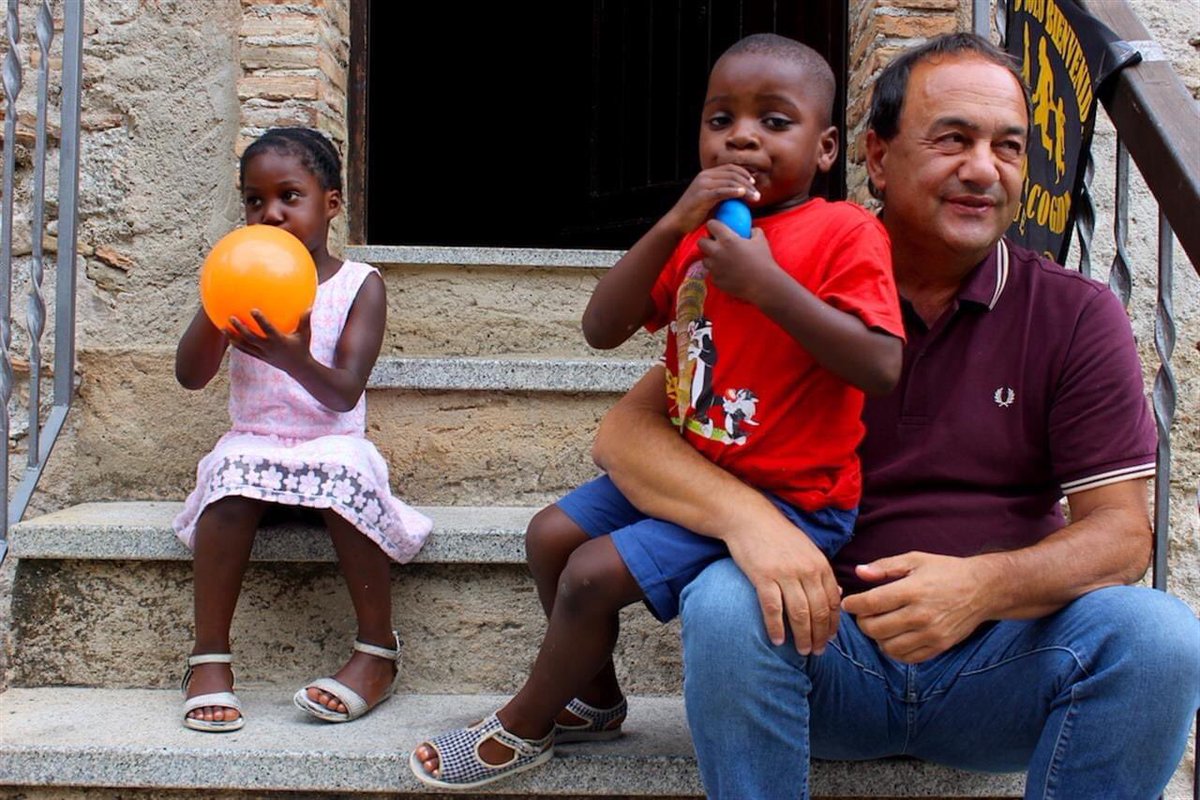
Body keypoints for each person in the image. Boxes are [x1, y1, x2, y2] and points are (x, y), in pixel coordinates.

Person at [592, 33, 1200, 799]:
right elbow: (627, 431)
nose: (983, 169)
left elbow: (1121, 536)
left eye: (1007, 147)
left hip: (1002, 671)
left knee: (1162, 636)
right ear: (875, 157)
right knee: (723, 598)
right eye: (953, 140)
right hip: (823, 653)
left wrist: (982, 586)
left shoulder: (1075, 314)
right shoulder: (787, 274)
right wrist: (756, 524)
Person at [410, 33, 905, 790]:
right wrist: (672, 224)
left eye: (775, 121)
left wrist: (768, 286)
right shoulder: (696, 238)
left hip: (792, 498)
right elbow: (601, 328)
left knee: (587, 576)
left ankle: (523, 727)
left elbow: (880, 365)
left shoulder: (845, 232)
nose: (741, 135)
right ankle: (595, 697)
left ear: (828, 146)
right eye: (720, 120)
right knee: (548, 537)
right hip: (694, 471)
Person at [174, 127, 432, 733]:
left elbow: (343, 393)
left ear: (331, 203)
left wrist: (288, 353)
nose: (271, 214)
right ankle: (208, 657)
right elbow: (190, 375)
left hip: (330, 441)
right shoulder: (236, 274)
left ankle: (376, 651)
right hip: (257, 442)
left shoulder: (359, 284)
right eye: (255, 201)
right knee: (231, 477)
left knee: (344, 467)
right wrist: (219, 303)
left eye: (290, 196)